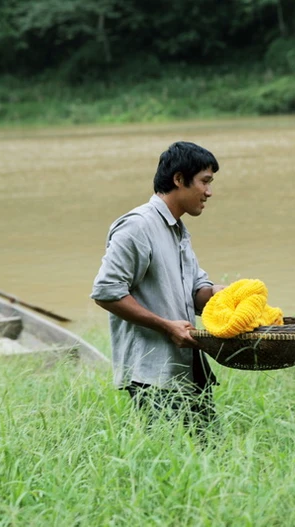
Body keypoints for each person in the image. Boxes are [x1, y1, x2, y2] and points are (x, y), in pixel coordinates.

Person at [91, 141, 225, 432]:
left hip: (188, 366)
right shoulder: (137, 227)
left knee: (212, 452)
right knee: (169, 459)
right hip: (153, 374)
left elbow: (195, 292)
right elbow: (106, 292)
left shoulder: (177, 228)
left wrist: (220, 294)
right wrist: (167, 326)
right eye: (205, 181)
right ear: (179, 179)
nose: (209, 192)